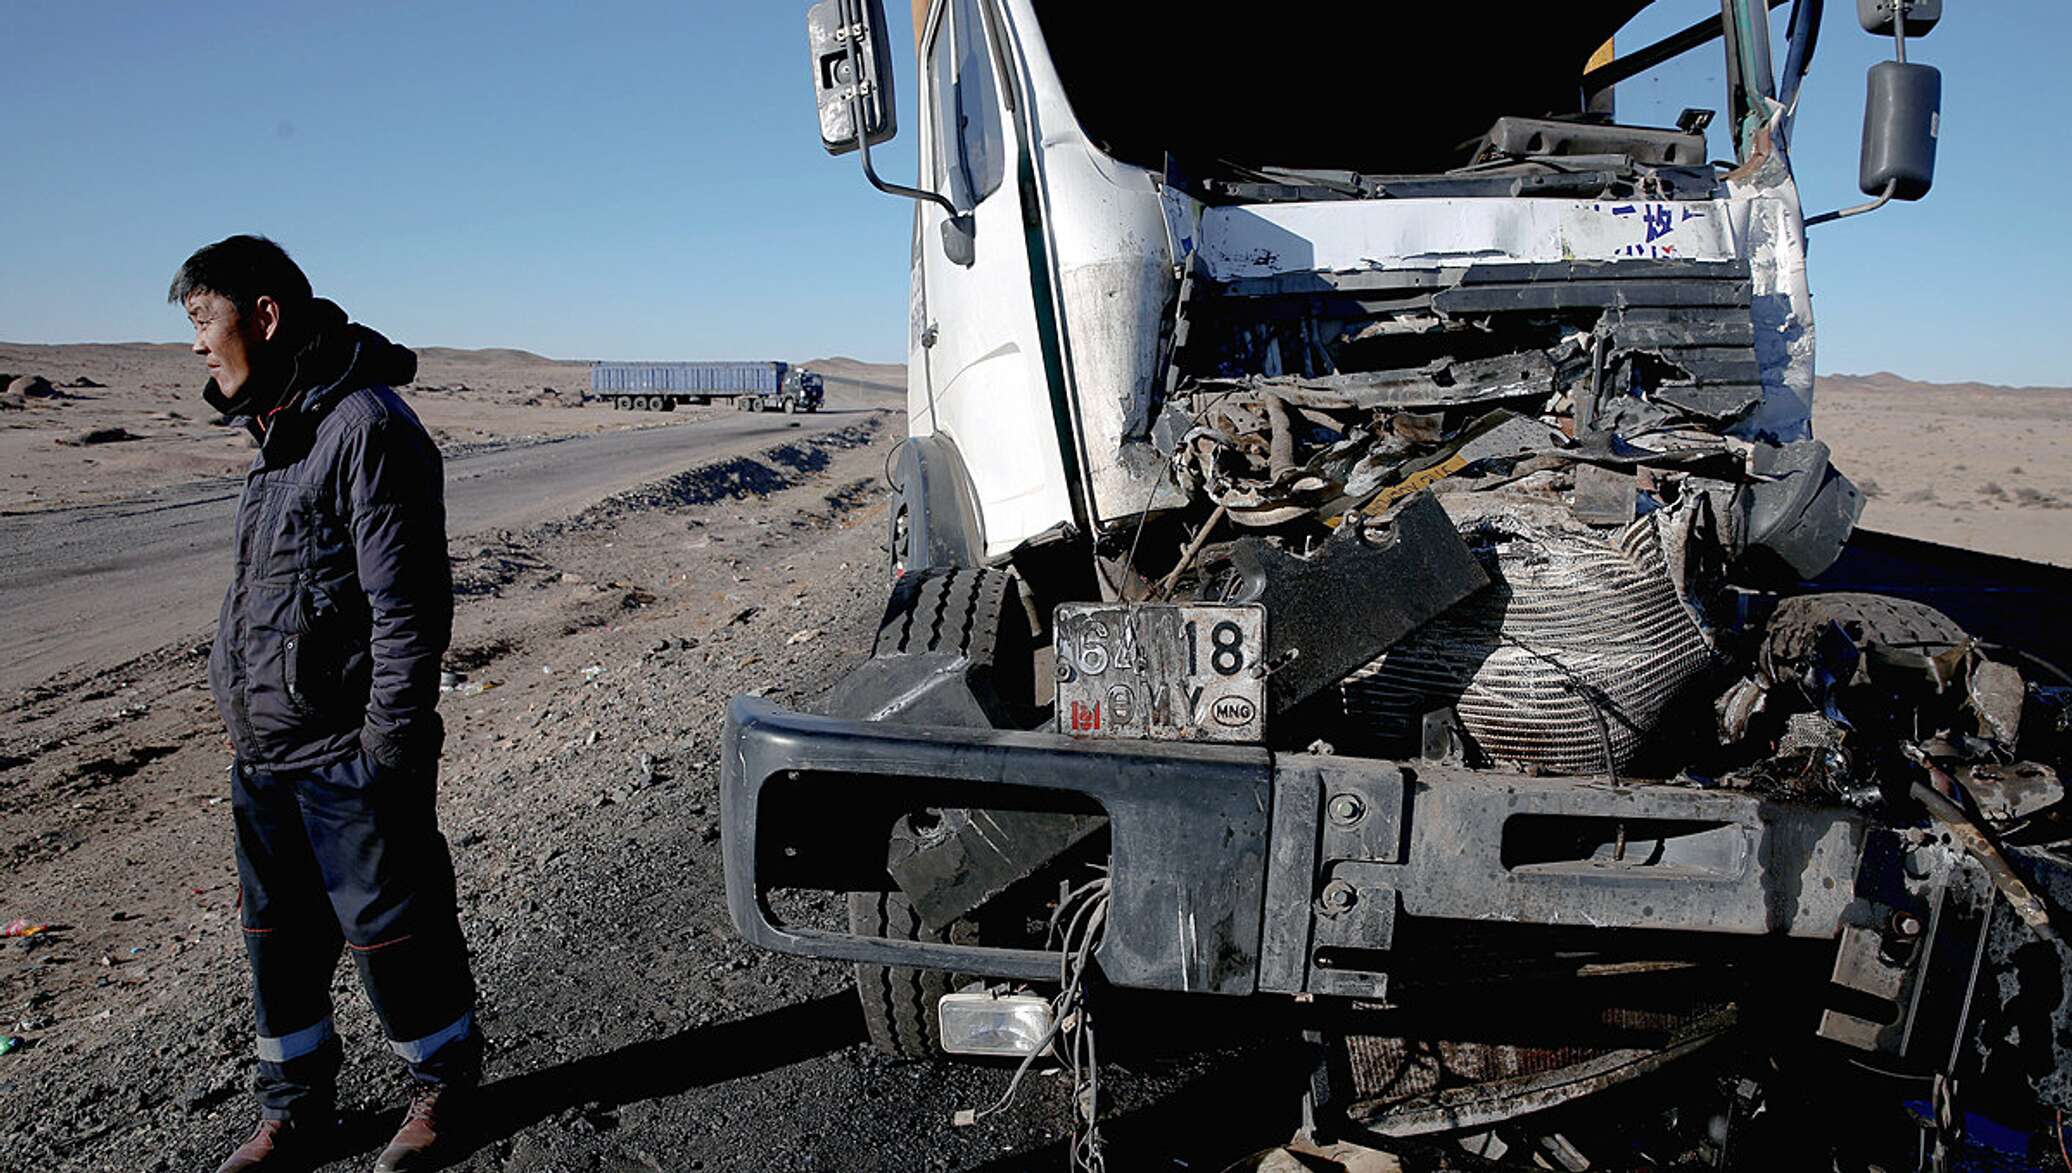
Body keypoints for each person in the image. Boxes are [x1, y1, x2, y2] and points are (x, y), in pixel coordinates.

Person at [172, 235, 480, 1173]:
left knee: (396, 934)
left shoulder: (365, 427)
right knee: (278, 943)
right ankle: (296, 1108)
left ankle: (445, 1088)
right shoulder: (282, 428)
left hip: (347, 755)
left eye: (201, 320)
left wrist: (385, 749)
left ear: (263, 317)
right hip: (266, 756)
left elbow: (408, 607)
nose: (194, 345)